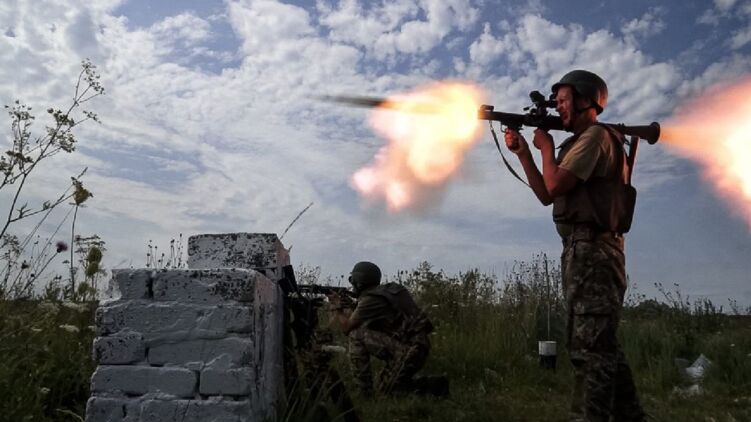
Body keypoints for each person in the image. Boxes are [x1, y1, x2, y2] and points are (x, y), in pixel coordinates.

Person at [504, 70, 646, 421]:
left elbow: (554, 185)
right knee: (600, 344)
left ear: (586, 101)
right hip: (583, 252)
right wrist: (525, 153)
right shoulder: (582, 141)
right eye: (557, 102)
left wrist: (546, 147)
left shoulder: (595, 136)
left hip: (595, 252)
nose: (559, 107)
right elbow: (546, 195)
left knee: (590, 350)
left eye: (564, 100)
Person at [329, 261, 446, 397]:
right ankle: (434, 385)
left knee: (355, 335)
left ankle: (364, 391)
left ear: (359, 281)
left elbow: (347, 328)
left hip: (408, 352)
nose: (351, 284)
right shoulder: (386, 293)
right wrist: (348, 306)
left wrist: (337, 307)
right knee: (386, 391)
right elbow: (359, 319)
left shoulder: (370, 300)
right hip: (415, 349)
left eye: (352, 280)